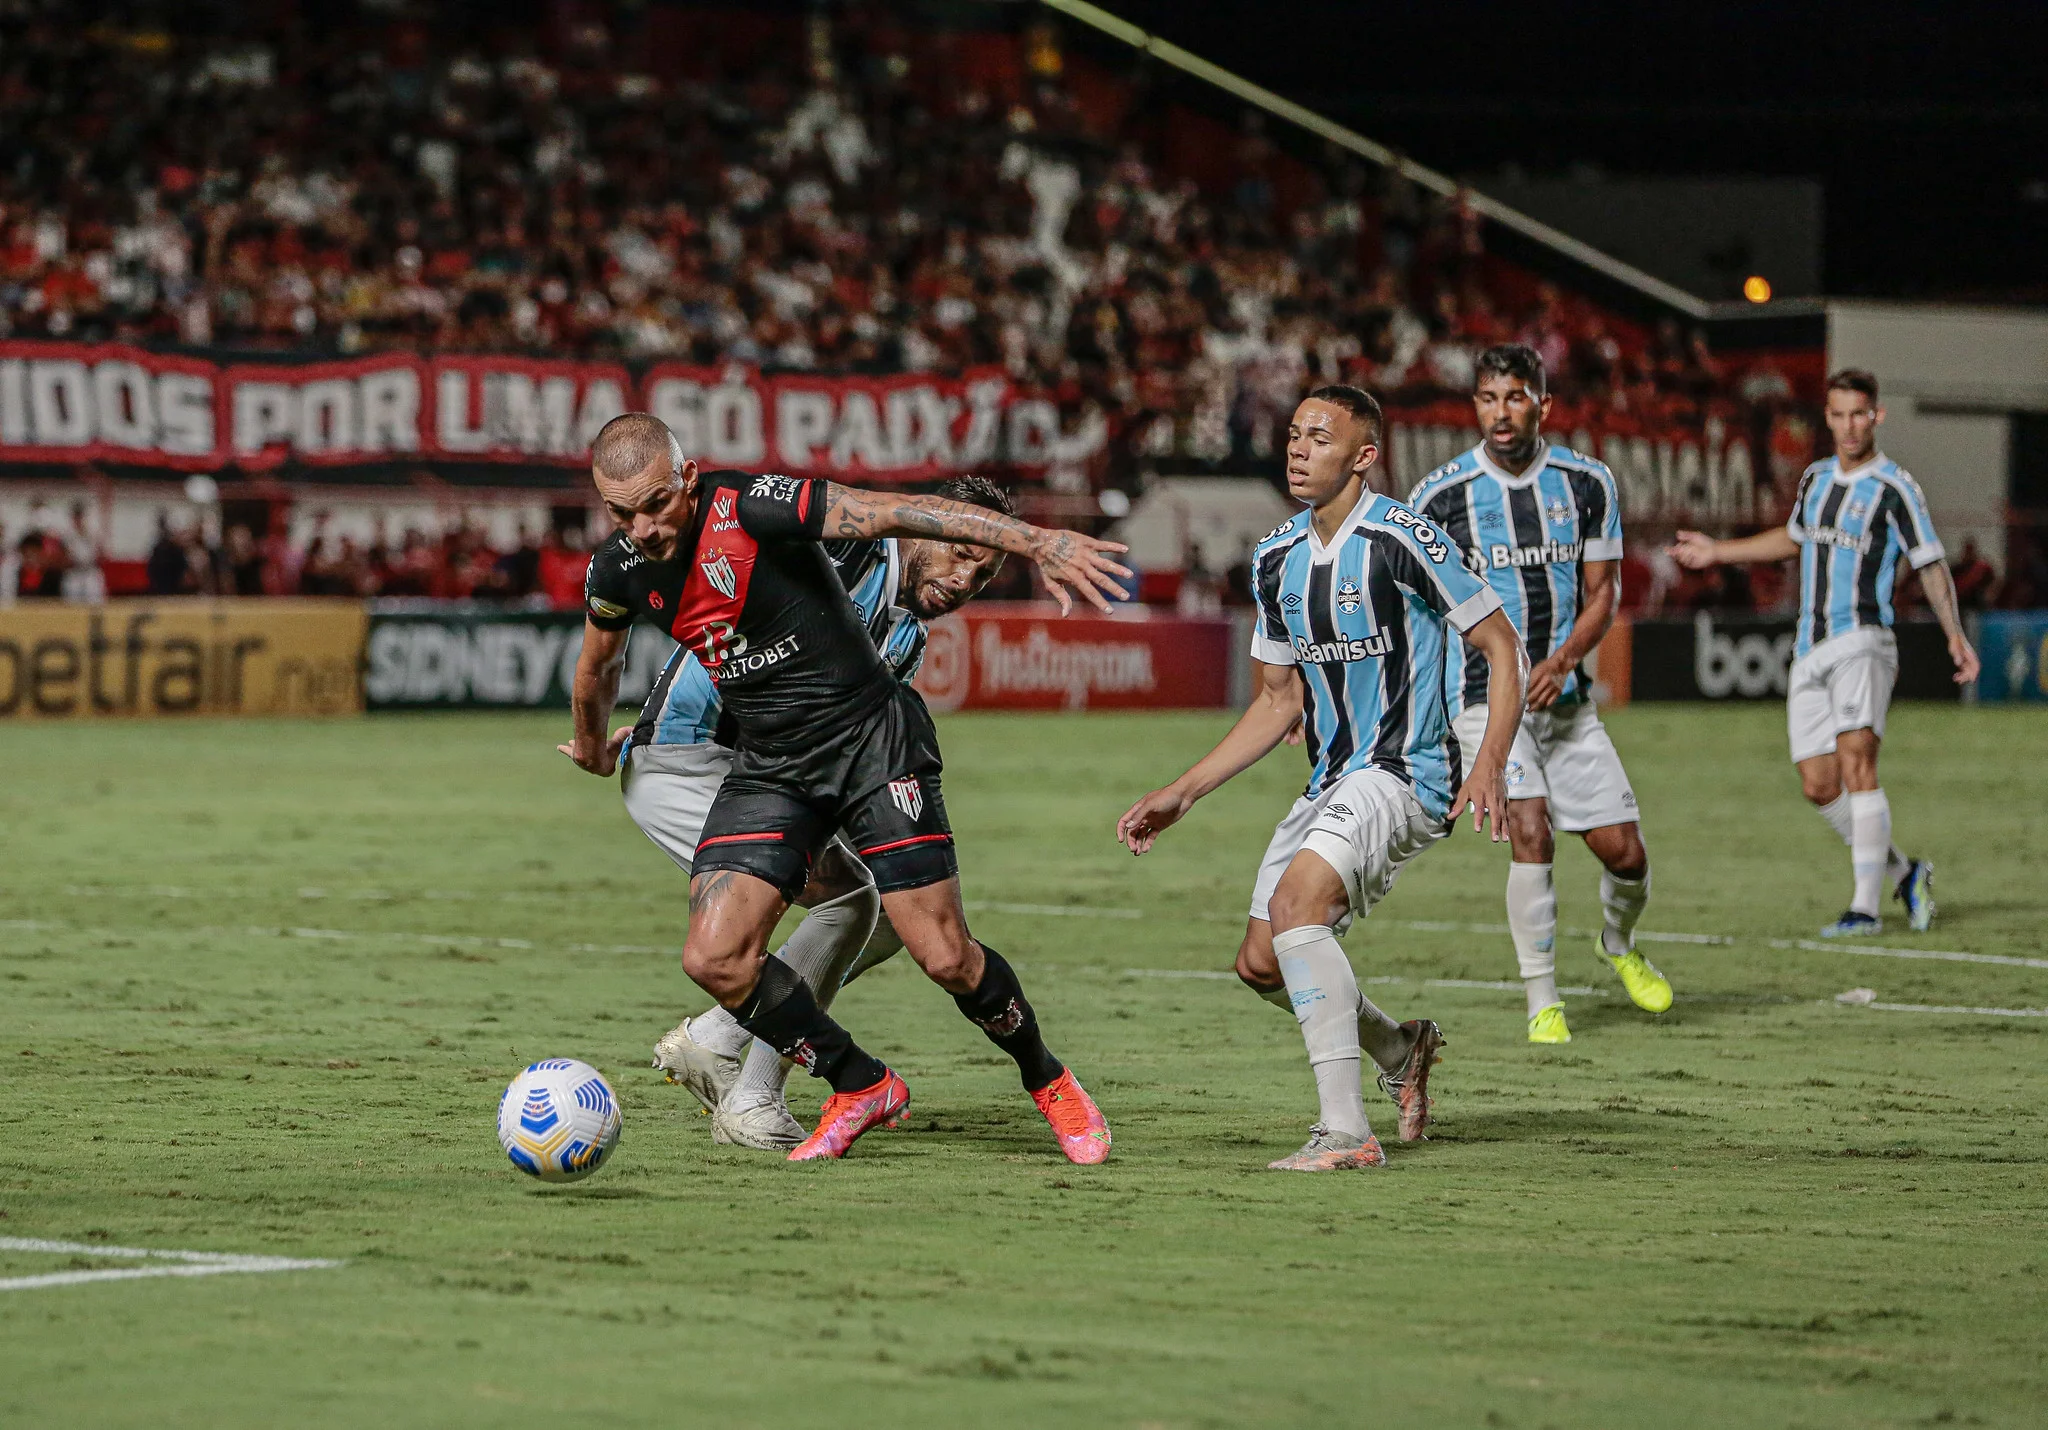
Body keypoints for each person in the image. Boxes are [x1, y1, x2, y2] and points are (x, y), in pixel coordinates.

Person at [560, 413, 1128, 1163]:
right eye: (623, 512)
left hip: (861, 750)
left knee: (936, 947)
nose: (965, 581)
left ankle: (1048, 1080)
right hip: (730, 759)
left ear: (686, 482)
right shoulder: (835, 543)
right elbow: (888, 508)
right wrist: (1040, 540)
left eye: (655, 504)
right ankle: (821, 1081)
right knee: (733, 949)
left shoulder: (903, 631)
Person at [1114, 385, 1527, 1171]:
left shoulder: (1405, 538)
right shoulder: (1275, 558)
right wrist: (1184, 791)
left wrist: (1491, 764)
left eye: (1320, 438)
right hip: (1333, 779)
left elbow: (1503, 647)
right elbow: (1277, 703)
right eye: (1295, 435)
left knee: (1299, 904)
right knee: (1261, 962)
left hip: (1408, 770)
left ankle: (1346, 1132)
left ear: (1364, 456)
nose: (1299, 450)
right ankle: (1401, 1049)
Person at [631, 476, 1012, 1150]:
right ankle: (749, 1093)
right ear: (922, 533)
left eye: (984, 573)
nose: (964, 580)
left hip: (760, 766)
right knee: (850, 904)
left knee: (889, 910)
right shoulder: (844, 558)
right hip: (700, 757)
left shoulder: (908, 633)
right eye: (959, 554)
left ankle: (721, 1042)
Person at [1407, 344, 1670, 1045]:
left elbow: (1604, 592)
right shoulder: (1438, 496)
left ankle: (1618, 944)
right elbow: (1416, 609)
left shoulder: (1587, 483)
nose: (1500, 412)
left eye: (1515, 397)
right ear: (1476, 407)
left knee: (1626, 854)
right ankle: (1542, 1001)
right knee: (1530, 827)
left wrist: (1564, 660)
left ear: (1542, 405)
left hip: (1567, 698)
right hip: (1481, 699)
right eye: (1488, 398)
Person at [1671, 368, 1978, 936]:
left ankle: (1864, 910)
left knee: (1858, 761)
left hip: (1863, 639)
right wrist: (1719, 552)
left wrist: (1953, 634)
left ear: (1876, 416)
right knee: (1818, 783)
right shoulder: (1815, 479)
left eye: (1858, 413)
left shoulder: (1895, 487)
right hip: (1808, 646)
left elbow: (1930, 562)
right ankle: (1905, 874)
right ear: (1829, 418)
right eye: (1837, 414)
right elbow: (1793, 538)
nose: (1848, 425)